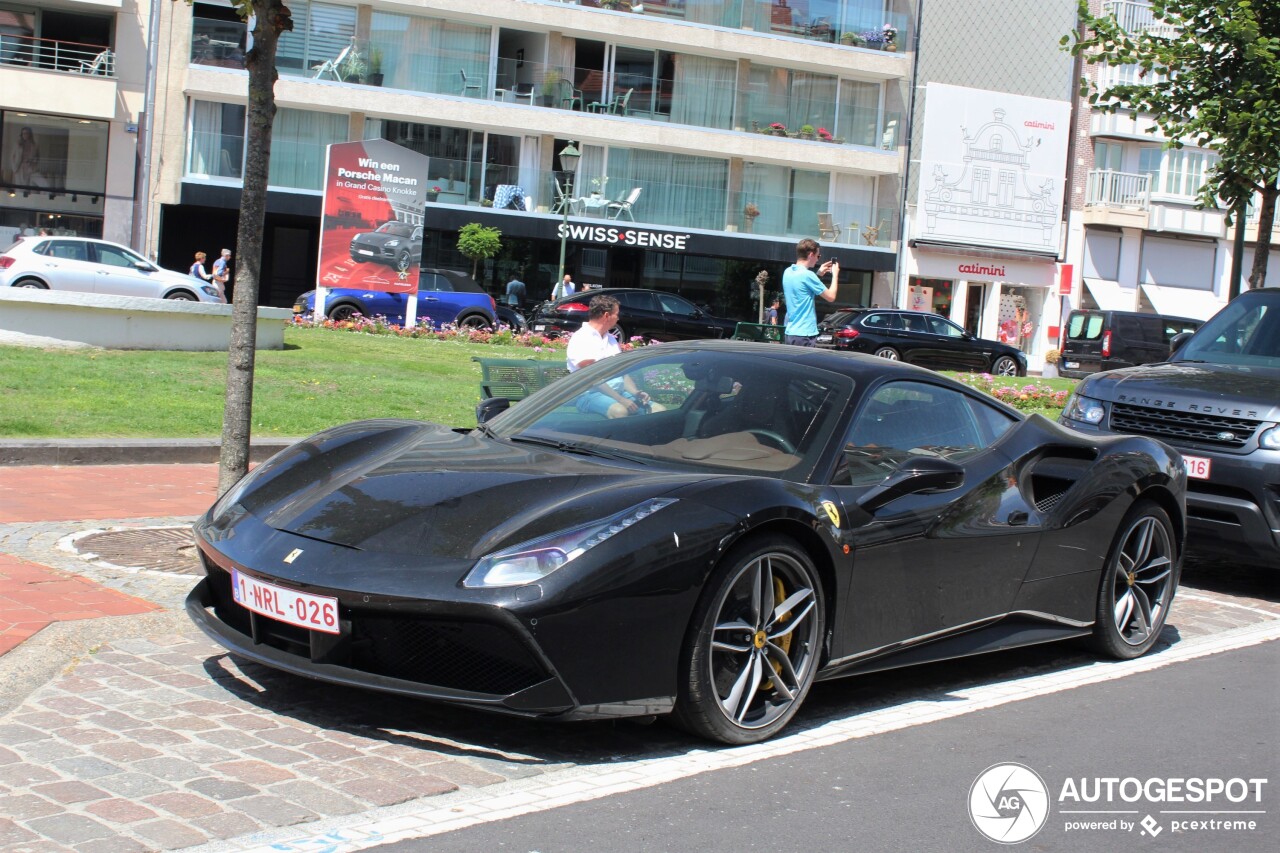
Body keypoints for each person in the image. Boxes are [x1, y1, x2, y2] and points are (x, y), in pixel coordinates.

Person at [566, 295, 664, 418]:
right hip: (589, 395)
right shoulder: (582, 338)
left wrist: (636, 392)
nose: (618, 318)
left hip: (619, 394)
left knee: (659, 410)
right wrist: (620, 399)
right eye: (616, 314)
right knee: (620, 411)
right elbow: (592, 377)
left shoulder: (611, 339)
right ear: (607, 315)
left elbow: (622, 372)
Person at [781, 237, 838, 346]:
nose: (818, 259)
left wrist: (819, 274)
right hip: (804, 334)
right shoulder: (808, 275)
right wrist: (835, 275)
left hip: (791, 332)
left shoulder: (787, 272)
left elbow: (803, 289)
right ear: (811, 255)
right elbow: (831, 297)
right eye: (818, 256)